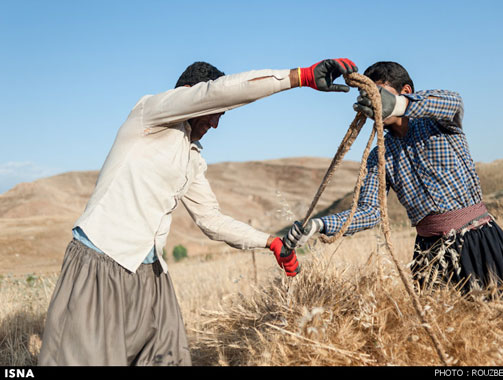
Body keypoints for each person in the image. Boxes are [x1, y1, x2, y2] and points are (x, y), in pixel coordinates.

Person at [38, 58, 358, 366]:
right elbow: (218, 92)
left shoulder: (191, 156)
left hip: (150, 272)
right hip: (101, 260)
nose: (216, 123)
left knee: (170, 359)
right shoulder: (149, 113)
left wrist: (269, 242)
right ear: (188, 95)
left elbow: (210, 219)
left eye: (221, 115)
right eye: (213, 113)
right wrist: (299, 76)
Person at [286, 61, 503, 327]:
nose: (374, 104)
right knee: (446, 338)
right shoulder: (378, 157)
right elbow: (370, 212)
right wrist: (320, 225)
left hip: (481, 240)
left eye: (379, 94)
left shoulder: (439, 123)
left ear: (405, 90)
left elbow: (453, 101)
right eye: (368, 98)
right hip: (429, 255)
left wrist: (400, 105)